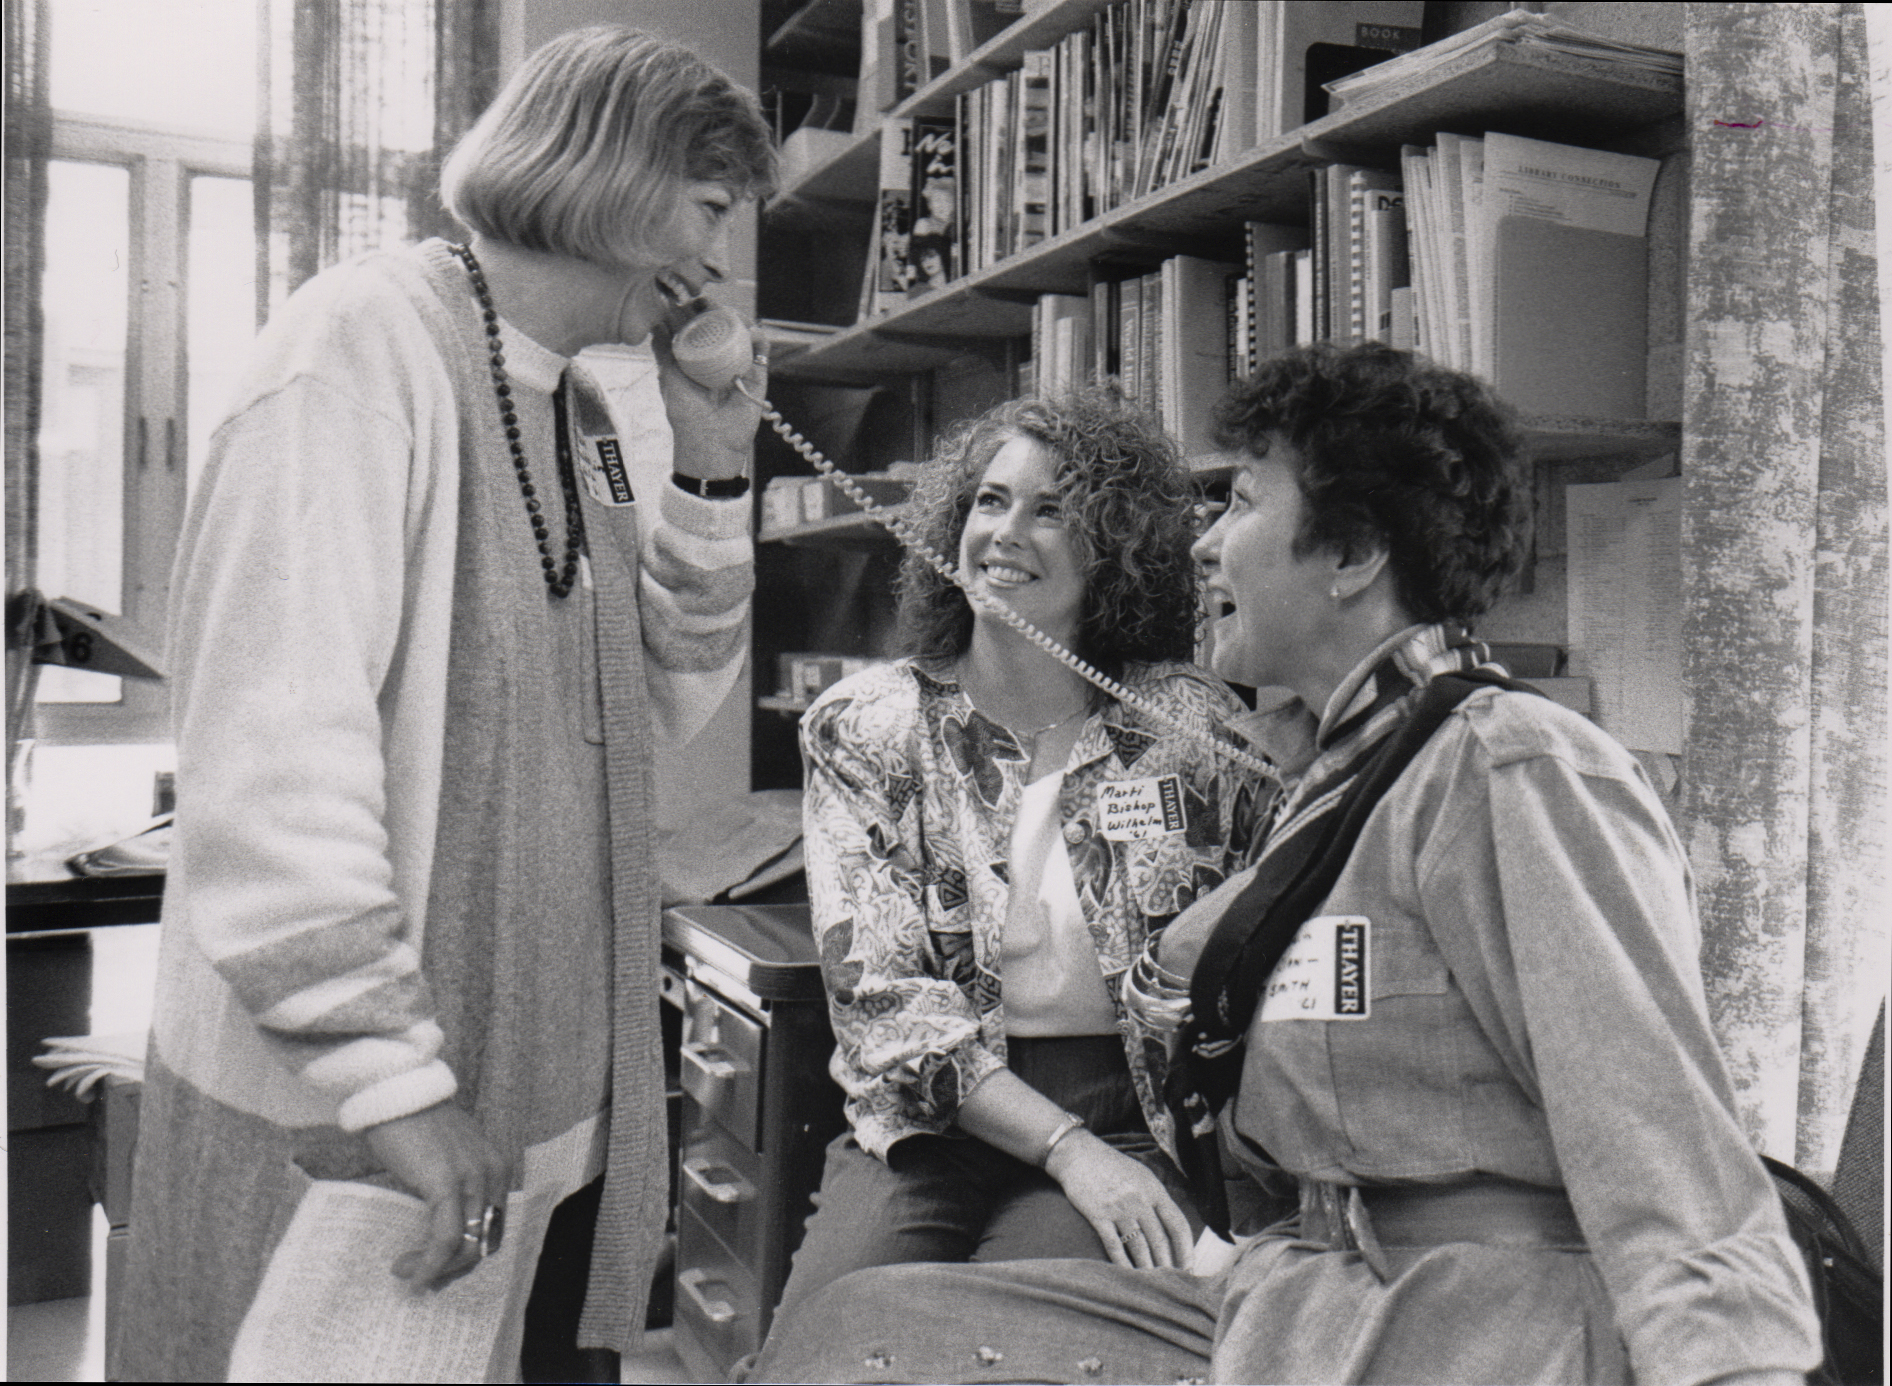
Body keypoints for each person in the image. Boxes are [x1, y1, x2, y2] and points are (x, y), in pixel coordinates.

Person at [752, 344, 1822, 1386]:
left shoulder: (1507, 768)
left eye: (1242, 503)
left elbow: (1666, 1151)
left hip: (1465, 1326)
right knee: (847, 1331)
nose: (1205, 545)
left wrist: (1738, 1369)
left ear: (1350, 555)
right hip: (1307, 1295)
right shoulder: (1339, 784)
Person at [116, 27, 775, 1384]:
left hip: (543, 1115)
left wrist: (711, 467)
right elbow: (270, 753)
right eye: (709, 208)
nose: (717, 262)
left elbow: (652, 710)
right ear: (612, 178)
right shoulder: (357, 346)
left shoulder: (584, 416)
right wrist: (395, 1082)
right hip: (377, 1115)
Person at [759, 392, 1272, 1353]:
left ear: (1115, 549)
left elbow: (1274, 916)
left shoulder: (1191, 726)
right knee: (822, 1350)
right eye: (990, 501)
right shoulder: (866, 724)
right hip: (929, 1119)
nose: (1005, 532)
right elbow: (883, 1006)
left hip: (1129, 1114)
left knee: (1007, 1351)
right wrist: (1064, 1148)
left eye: (1051, 511)